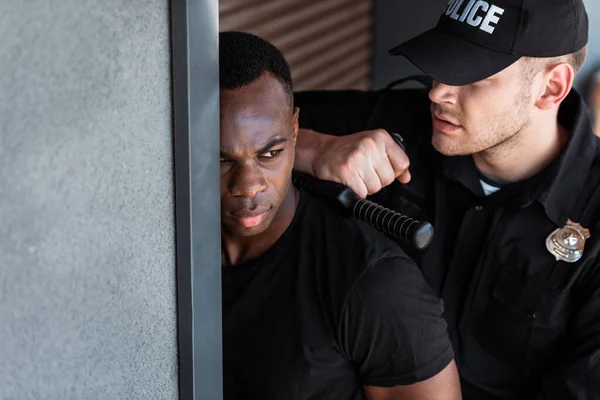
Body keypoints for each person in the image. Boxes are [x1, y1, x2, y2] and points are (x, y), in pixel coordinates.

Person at [293, 0, 600, 399]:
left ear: (551, 87)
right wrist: (312, 149)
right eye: (443, 62)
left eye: (472, 76)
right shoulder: (403, 121)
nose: (438, 91)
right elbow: (213, 113)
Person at [219, 31, 462, 400]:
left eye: (270, 154)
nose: (247, 186)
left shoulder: (377, 289)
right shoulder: (162, 239)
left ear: (296, 130)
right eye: (220, 160)